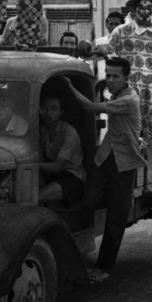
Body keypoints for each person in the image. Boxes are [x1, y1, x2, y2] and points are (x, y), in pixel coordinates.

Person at [61, 56, 142, 284]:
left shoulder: (129, 99)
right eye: (109, 75)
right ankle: (118, 201)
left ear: (127, 78)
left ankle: (103, 268)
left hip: (124, 163)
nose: (112, 80)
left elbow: (89, 108)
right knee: (88, 202)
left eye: (116, 76)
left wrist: (69, 86)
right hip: (106, 157)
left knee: (115, 220)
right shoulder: (116, 94)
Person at [96, 0, 152, 147]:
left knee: (150, 135)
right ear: (134, 9)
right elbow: (106, 48)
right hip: (127, 90)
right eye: (141, 6)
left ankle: (148, 168)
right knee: (125, 131)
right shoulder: (121, 31)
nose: (145, 10)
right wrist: (91, 49)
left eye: (149, 6)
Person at [37, 92, 85, 206]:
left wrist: (30, 165)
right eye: (44, 107)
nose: (48, 113)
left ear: (61, 112)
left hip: (71, 177)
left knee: (35, 197)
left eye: (54, 109)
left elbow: (56, 167)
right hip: (49, 175)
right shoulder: (40, 131)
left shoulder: (69, 132)